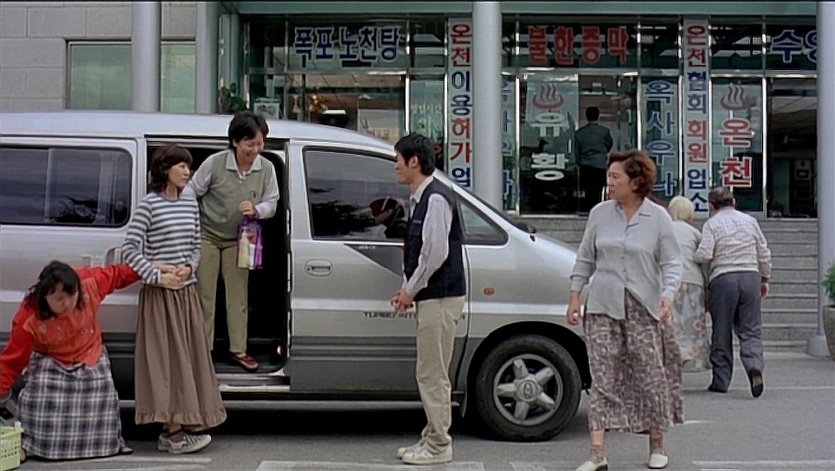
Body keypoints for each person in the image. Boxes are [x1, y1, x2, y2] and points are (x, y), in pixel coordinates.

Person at [567, 150, 683, 471]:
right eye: (609, 176)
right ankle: (597, 454)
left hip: (643, 307)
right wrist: (575, 296)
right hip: (602, 305)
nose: (610, 182)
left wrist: (668, 295)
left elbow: (672, 262)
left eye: (615, 177)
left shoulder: (657, 218)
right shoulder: (600, 214)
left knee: (650, 375)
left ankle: (657, 443)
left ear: (636, 181)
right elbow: (585, 257)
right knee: (603, 377)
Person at [122, 144, 227, 454]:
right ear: (164, 169)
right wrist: (157, 275)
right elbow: (130, 250)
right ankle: (173, 433)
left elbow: (196, 244)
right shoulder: (149, 205)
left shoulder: (190, 203)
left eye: (188, 166)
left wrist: (189, 267)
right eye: (181, 165)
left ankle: (185, 423)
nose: (187, 171)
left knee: (189, 360)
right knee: (166, 364)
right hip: (160, 298)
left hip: (185, 294)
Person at [0, 261, 140, 461]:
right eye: (59, 299)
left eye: (71, 295)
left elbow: (119, 274)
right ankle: (31, 444)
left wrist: (154, 268)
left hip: (89, 352)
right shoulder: (28, 318)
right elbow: (11, 362)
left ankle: (109, 442)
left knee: (101, 387)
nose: (67, 303)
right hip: (51, 359)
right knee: (41, 395)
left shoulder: (89, 284)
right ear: (45, 296)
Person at [390, 133, 466, 466]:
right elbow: (421, 252)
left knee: (432, 373)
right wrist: (408, 288)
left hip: (440, 296)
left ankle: (438, 444)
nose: (395, 166)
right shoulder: (422, 197)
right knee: (429, 370)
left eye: (398, 159)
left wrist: (411, 290)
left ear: (414, 161)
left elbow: (435, 253)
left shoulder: (435, 198)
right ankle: (432, 435)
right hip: (431, 295)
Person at [184, 111, 280, 372]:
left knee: (238, 296)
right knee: (204, 294)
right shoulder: (215, 163)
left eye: (260, 143)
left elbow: (272, 202)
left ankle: (239, 349)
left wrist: (257, 210)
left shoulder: (266, 168)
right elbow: (191, 191)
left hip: (241, 238)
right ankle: (203, 352)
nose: (256, 150)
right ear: (236, 141)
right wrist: (189, 222)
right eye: (250, 144)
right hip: (207, 234)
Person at [694, 187, 772, 398]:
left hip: (723, 278)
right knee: (751, 330)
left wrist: (694, 254)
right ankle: (754, 367)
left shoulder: (712, 224)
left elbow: (704, 254)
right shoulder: (750, 221)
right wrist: (765, 278)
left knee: (721, 330)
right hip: (750, 276)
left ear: (712, 206)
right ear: (734, 201)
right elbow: (763, 253)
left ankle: (721, 381)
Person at [667, 196, 711, 372]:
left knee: (671, 324)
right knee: (693, 324)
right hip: (693, 281)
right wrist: (708, 289)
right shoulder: (695, 233)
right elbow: (705, 263)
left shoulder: (664, 230)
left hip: (668, 282)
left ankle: (671, 358)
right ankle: (693, 359)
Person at [574, 106, 614, 213]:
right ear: (598, 116)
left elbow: (576, 151)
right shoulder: (604, 131)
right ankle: (598, 210)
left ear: (586, 116)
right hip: (600, 164)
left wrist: (579, 162)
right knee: (599, 190)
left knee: (588, 190)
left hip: (585, 165)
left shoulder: (580, 133)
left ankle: (588, 210)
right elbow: (609, 144)